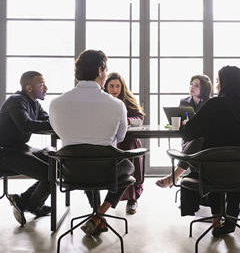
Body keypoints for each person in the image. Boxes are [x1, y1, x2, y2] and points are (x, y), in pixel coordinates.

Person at [49, 49, 133, 236]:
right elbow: (119, 138)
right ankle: (98, 215)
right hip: (106, 171)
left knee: (85, 160)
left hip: (70, 171)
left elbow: (57, 132)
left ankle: (97, 216)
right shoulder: (117, 105)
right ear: (100, 70)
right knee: (128, 166)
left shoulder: (56, 103)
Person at [177, 65, 240, 236]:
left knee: (213, 161)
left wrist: (184, 125)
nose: (217, 86)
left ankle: (216, 221)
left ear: (227, 83)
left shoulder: (215, 104)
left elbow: (190, 133)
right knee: (229, 166)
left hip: (213, 172)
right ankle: (230, 222)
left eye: (218, 82)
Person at [0, 70, 53, 225]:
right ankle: (32, 204)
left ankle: (23, 199)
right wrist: (56, 124)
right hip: (2, 154)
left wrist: (61, 121)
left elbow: (47, 120)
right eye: (41, 84)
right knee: (50, 174)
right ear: (29, 88)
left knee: (56, 164)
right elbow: (26, 125)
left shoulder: (35, 104)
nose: (46, 88)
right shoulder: (17, 101)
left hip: (19, 148)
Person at [155, 74, 213, 188]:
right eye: (191, 84)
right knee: (191, 145)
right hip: (188, 138)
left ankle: (174, 177)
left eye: (196, 85)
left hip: (205, 142)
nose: (192, 87)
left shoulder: (210, 103)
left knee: (196, 143)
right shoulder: (184, 101)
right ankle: (188, 193)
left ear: (204, 88)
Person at [104, 72, 145, 215]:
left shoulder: (128, 100)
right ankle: (111, 196)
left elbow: (139, 116)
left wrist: (126, 121)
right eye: (111, 86)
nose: (115, 89)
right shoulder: (103, 100)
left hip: (129, 140)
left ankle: (132, 199)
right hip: (110, 140)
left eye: (118, 86)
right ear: (105, 86)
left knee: (132, 163)